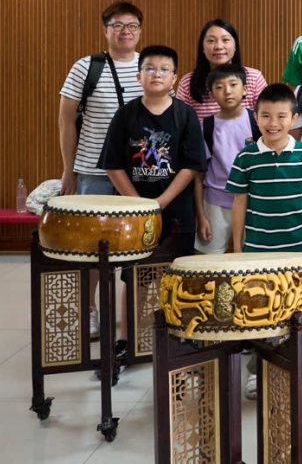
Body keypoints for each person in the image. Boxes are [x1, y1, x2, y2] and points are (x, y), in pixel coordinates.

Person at [99, 45, 205, 367]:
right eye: (149, 68)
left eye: (164, 69)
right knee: (134, 277)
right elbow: (113, 165)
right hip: (134, 215)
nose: (156, 74)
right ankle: (127, 341)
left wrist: (160, 202)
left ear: (174, 78)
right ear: (139, 75)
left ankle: (182, 337)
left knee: (178, 275)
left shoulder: (184, 115)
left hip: (177, 212)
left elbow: (192, 166)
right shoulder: (126, 114)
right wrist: (139, 204)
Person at [227, 83, 302, 398]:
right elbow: (239, 202)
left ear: (294, 118)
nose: (273, 123)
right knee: (260, 312)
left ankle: (301, 371)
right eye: (266, 116)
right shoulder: (247, 156)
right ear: (255, 117)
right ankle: (257, 370)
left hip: (300, 250)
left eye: (282, 116)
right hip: (259, 252)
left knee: (300, 313)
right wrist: (238, 248)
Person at [57, 0, 144, 338]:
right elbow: (66, 121)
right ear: (106, 30)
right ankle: (91, 310)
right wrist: (69, 170)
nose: (125, 32)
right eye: (117, 25)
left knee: (134, 246)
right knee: (93, 248)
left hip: (137, 174)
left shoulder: (148, 66)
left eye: (132, 25)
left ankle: (133, 315)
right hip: (93, 172)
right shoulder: (86, 67)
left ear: (140, 31)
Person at [193, 63, 261, 255]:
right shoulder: (206, 126)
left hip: (252, 202)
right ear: (212, 94)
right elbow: (198, 176)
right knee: (207, 261)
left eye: (233, 84)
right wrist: (201, 216)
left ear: (245, 89)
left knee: (253, 260)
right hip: (215, 202)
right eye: (219, 87)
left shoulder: (257, 122)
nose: (227, 91)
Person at [176, 19, 268, 122]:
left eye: (225, 40)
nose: (219, 47)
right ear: (202, 47)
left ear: (235, 45)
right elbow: (179, 123)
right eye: (211, 41)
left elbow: (267, 116)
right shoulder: (187, 82)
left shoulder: (254, 78)